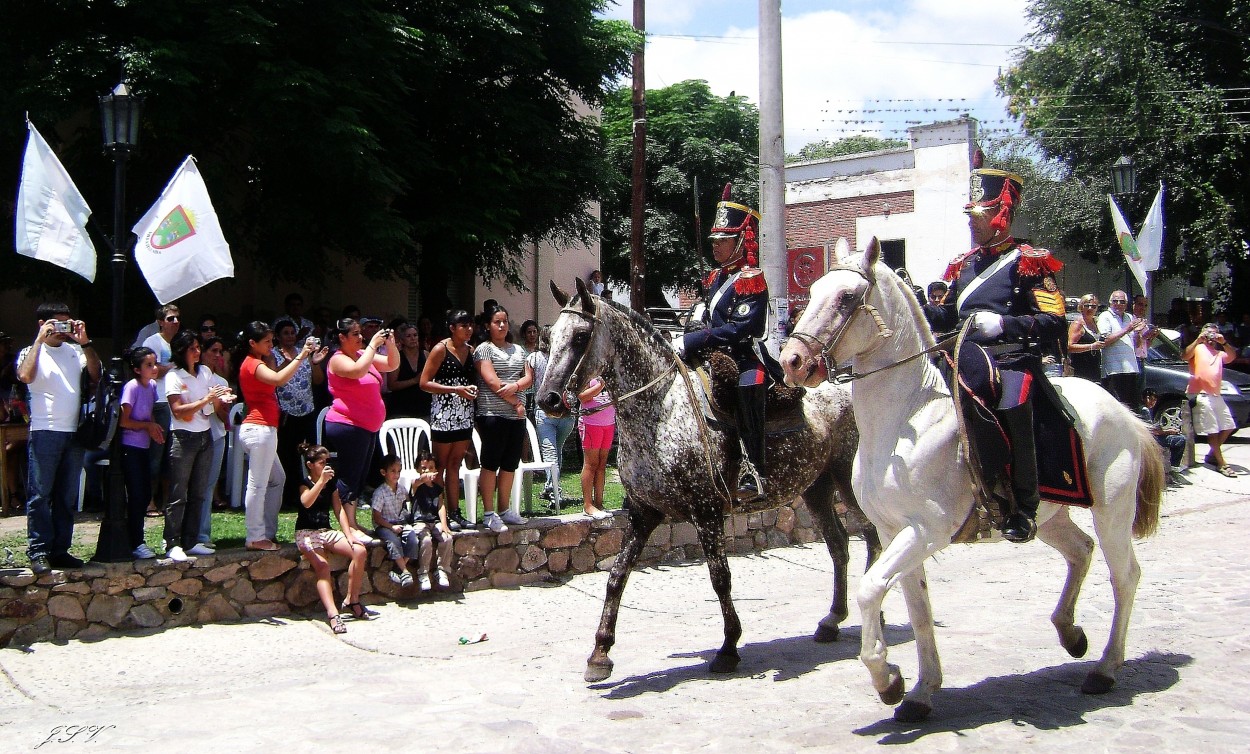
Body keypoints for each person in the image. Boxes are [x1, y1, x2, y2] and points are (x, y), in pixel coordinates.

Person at [929, 166, 1067, 543]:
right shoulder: (966, 263)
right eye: (971, 217)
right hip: (966, 354)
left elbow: (1054, 319)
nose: (972, 225)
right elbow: (949, 313)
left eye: (979, 217)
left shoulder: (1029, 261)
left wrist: (1005, 325)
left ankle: (1023, 506)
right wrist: (919, 309)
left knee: (1012, 403)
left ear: (1001, 215)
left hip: (1011, 357)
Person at [673, 184, 772, 501]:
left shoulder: (751, 279)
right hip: (708, 356)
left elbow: (741, 329)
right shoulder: (715, 278)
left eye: (723, 240)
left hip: (743, 357)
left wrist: (695, 338)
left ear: (741, 241)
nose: (715, 247)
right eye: (714, 241)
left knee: (748, 384)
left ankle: (753, 471)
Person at [18, 303, 101, 574]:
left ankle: (60, 550)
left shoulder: (75, 351)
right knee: (40, 495)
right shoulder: (31, 352)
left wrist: (85, 342)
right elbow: (25, 376)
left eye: (67, 323)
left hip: (73, 432)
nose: (63, 329)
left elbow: (96, 374)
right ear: (42, 323)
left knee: (66, 496)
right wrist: (40, 340)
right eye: (57, 324)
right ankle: (39, 550)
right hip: (44, 431)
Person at [234, 321, 322, 551]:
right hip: (259, 429)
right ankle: (254, 536)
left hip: (265, 429)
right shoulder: (253, 364)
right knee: (257, 485)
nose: (271, 345)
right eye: (267, 342)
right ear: (252, 343)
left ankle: (267, 532)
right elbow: (279, 379)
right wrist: (302, 356)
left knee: (277, 479)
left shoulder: (260, 361)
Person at [325, 317, 399, 541]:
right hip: (347, 425)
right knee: (349, 476)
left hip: (366, 428)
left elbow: (391, 365)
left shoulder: (361, 355)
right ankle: (348, 526)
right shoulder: (337, 360)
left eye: (360, 333)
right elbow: (357, 371)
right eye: (355, 334)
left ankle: (354, 522)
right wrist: (372, 346)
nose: (360, 337)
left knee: (359, 477)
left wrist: (391, 344)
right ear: (342, 337)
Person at [163, 331, 233, 561]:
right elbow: (179, 411)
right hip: (183, 438)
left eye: (197, 347)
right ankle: (172, 542)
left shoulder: (204, 372)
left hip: (205, 436)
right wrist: (206, 399)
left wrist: (222, 397)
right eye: (193, 348)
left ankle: (191, 540)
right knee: (178, 492)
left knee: (199, 492)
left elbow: (214, 395)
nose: (197, 352)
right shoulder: (174, 376)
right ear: (182, 351)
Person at [296, 442, 371, 633]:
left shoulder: (331, 484)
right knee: (323, 566)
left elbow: (339, 510)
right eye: (322, 462)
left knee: (360, 551)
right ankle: (333, 614)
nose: (326, 466)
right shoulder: (305, 483)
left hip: (325, 530)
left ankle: (352, 599)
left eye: (328, 462)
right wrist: (321, 482)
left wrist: (349, 535)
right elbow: (306, 502)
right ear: (310, 464)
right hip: (306, 532)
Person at [474, 304, 534, 532]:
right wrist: (517, 402)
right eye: (496, 322)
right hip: (493, 414)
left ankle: (505, 509)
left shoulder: (519, 350)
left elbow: (529, 377)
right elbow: (492, 382)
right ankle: (489, 512)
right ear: (488, 326)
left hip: (516, 418)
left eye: (504, 321)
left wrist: (518, 386)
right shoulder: (483, 350)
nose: (501, 325)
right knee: (490, 463)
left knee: (510, 464)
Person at [419, 310, 478, 530]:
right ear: (452, 328)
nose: (469, 329)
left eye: (471, 325)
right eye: (464, 325)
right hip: (443, 415)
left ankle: (455, 512)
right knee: (441, 465)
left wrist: (472, 391)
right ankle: (437, 512)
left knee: (455, 464)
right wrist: (455, 389)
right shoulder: (440, 350)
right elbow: (424, 383)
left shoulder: (471, 351)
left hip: (464, 415)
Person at [272, 319, 326, 509]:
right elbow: (272, 379)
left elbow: (318, 380)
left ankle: (314, 494)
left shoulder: (304, 353)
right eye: (285, 333)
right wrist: (287, 362)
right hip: (286, 412)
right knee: (288, 456)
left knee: (311, 454)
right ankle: (289, 497)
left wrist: (314, 362)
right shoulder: (272, 355)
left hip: (307, 410)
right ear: (277, 336)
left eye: (292, 333)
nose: (290, 336)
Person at [118, 347, 163, 559]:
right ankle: (135, 541)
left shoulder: (152, 386)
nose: (154, 368)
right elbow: (124, 421)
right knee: (136, 495)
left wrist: (153, 428)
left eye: (155, 363)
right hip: (130, 447)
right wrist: (147, 427)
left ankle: (135, 539)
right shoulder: (132, 387)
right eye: (149, 365)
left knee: (145, 493)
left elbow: (149, 413)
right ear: (137, 369)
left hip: (144, 446)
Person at [141, 303, 182, 516]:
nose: (175, 322)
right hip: (158, 403)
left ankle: (168, 502)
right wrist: (174, 365)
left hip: (176, 402)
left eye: (177, 318)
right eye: (170, 318)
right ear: (160, 322)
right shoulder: (152, 342)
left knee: (171, 456)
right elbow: (151, 371)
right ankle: (149, 501)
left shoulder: (178, 343)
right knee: (156, 455)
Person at [1183, 322, 1239, 477]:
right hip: (1200, 394)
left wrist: (1224, 342)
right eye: (1208, 333)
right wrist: (1198, 340)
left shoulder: (1218, 353)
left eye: (1213, 334)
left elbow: (1232, 356)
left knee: (1229, 426)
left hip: (1216, 395)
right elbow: (1185, 355)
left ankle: (1212, 455)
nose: (1210, 337)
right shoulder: (1198, 348)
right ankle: (1222, 464)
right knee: (1212, 431)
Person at [529, 327, 574, 509]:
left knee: (550, 454)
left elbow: (529, 384)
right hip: (566, 413)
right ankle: (550, 487)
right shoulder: (566, 360)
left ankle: (556, 493)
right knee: (557, 452)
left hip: (545, 411)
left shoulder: (533, 358)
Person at [195, 337, 232, 548]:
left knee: (209, 484)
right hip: (194, 435)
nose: (218, 355)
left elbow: (222, 416)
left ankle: (203, 533)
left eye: (221, 351)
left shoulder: (222, 381)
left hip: (216, 435)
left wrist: (222, 404)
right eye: (214, 351)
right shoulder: (194, 376)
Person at [371, 453, 418, 589]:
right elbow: (377, 517)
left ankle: (399, 568)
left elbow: (409, 501)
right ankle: (404, 571)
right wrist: (391, 527)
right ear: (383, 472)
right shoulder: (380, 493)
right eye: (393, 471)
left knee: (412, 537)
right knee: (394, 541)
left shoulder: (402, 489)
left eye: (398, 471)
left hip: (400, 522)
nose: (396, 475)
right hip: (384, 525)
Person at [409, 451, 453, 589]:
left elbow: (441, 506)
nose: (428, 471)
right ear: (417, 470)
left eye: (431, 468)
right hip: (420, 521)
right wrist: (424, 477)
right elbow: (417, 482)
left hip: (434, 521)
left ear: (436, 470)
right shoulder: (416, 485)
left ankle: (442, 569)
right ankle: (423, 572)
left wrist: (444, 525)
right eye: (424, 468)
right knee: (426, 540)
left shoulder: (438, 489)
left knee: (447, 538)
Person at [1097, 290, 1146, 411]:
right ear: (1110, 302)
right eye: (1115, 301)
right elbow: (1105, 341)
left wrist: (1139, 332)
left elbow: (1136, 345)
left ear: (1126, 304)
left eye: (1122, 302)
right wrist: (1127, 329)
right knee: (1118, 409)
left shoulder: (1129, 317)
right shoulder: (1105, 316)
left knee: (1131, 408)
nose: (1118, 304)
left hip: (1130, 368)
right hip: (1114, 370)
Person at [577, 377, 615, 520]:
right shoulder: (589, 373)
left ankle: (599, 503)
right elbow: (583, 397)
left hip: (609, 423)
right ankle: (588, 504)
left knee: (601, 464)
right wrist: (602, 384)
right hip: (591, 423)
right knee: (591, 464)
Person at [385, 323, 431, 420]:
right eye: (408, 336)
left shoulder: (426, 355)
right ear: (402, 340)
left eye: (415, 335)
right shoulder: (397, 357)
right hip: (401, 409)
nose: (413, 338)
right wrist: (414, 380)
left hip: (424, 408)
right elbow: (392, 385)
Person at [1141, 389, 1186, 477]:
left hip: (1152, 437)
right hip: (1150, 439)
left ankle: (1174, 469)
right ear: (1145, 398)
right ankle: (1174, 470)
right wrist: (1169, 431)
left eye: (1154, 400)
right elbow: (1152, 432)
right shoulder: (1144, 410)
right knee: (1180, 440)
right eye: (1150, 399)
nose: (1152, 402)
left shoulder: (1149, 410)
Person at [1067, 294, 1107, 382]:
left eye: (1093, 306)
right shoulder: (1077, 324)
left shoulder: (1096, 322)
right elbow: (1069, 347)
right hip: (1082, 369)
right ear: (1081, 307)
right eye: (1087, 306)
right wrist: (1092, 346)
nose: (1090, 308)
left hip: (1096, 368)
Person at [1132, 295, 1159, 398]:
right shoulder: (1131, 321)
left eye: (1145, 305)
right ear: (1133, 304)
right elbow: (1135, 344)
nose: (1143, 308)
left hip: (1142, 359)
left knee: (1141, 394)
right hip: (1134, 360)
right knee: (1135, 394)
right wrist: (1142, 335)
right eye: (1140, 304)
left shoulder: (1143, 322)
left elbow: (1145, 346)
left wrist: (1151, 337)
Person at [518, 320, 540, 419]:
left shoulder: (541, 350)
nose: (532, 335)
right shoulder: (520, 351)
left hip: (538, 391)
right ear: (524, 334)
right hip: (524, 392)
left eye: (534, 331)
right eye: (529, 332)